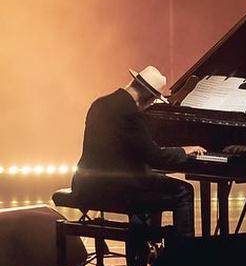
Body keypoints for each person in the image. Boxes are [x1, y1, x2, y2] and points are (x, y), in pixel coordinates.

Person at [71, 66, 206, 237]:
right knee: (183, 191)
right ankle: (182, 257)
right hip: (114, 187)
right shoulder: (130, 113)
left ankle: (146, 246)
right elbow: (155, 157)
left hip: (85, 183)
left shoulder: (99, 103)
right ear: (149, 99)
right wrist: (183, 151)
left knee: (151, 179)